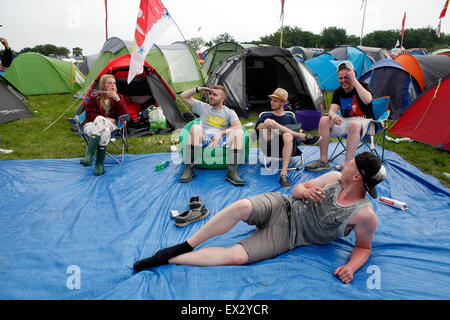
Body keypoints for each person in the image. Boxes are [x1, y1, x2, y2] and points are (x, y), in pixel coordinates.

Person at [133, 151, 386, 284]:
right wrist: (305, 190)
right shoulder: (333, 178)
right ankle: (185, 245)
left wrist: (350, 268)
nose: (346, 162)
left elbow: (364, 247)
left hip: (290, 236)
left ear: (357, 177)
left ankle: (172, 260)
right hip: (282, 205)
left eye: (352, 162)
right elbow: (296, 191)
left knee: (237, 256)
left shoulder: (364, 215)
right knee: (241, 205)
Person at [305, 61, 374, 172]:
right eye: (340, 78)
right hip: (345, 121)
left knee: (354, 124)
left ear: (353, 75)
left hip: (363, 121)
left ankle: (347, 165)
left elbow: (368, 100)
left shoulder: (362, 86)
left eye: (346, 77)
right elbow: (332, 111)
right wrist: (332, 116)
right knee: (324, 120)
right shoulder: (338, 92)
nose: (343, 81)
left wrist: (354, 80)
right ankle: (323, 161)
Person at [179, 85, 245, 186]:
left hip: (222, 138)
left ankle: (232, 172)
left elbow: (238, 126)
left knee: (239, 133)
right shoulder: (203, 107)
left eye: (215, 94)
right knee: (194, 128)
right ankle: (189, 170)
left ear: (222, 98)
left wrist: (221, 133)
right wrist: (199, 89)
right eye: (210, 94)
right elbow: (183, 96)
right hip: (204, 137)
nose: (211, 96)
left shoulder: (229, 112)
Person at [255, 88, 322, 188]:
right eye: (271, 100)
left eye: (275, 100)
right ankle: (304, 136)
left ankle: (283, 174)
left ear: (283, 103)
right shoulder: (265, 116)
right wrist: (264, 127)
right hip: (271, 147)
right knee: (268, 122)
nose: (271, 102)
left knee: (288, 135)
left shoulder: (290, 118)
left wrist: (286, 133)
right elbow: (258, 133)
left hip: (288, 147)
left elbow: (297, 143)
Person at [80, 74, 128, 176]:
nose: (112, 85)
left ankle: (89, 155)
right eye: (109, 83)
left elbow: (123, 115)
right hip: (93, 125)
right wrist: (105, 118)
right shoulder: (94, 97)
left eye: (114, 83)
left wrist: (118, 100)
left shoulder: (118, 97)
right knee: (104, 129)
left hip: (112, 126)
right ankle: (99, 164)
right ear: (103, 85)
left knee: (102, 121)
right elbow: (89, 115)